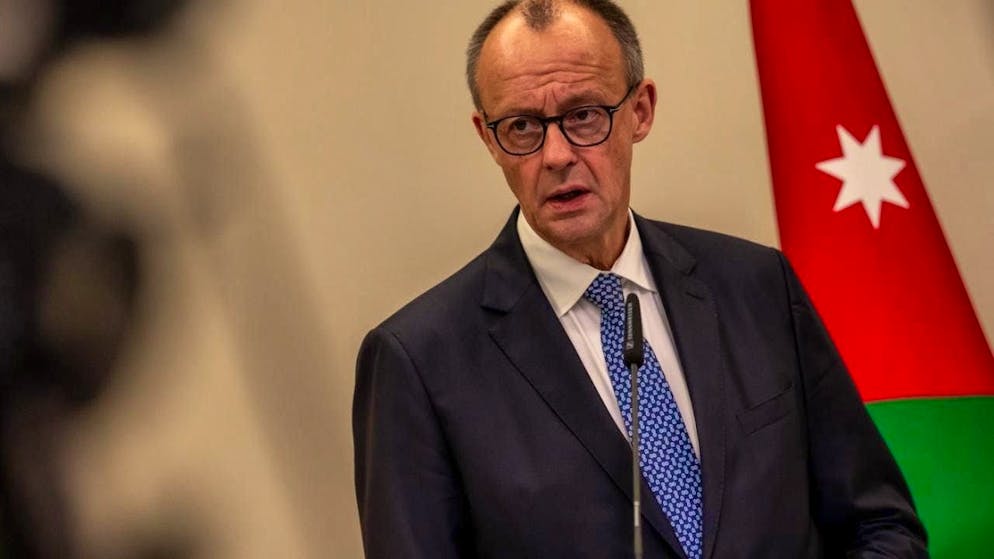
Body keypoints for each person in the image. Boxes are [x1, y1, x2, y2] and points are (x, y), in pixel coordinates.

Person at [352, 1, 928, 557]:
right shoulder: (419, 363)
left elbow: (881, 526)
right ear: (488, 138)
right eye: (523, 127)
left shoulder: (757, 286)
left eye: (583, 115)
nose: (556, 155)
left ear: (640, 111)